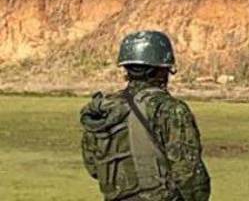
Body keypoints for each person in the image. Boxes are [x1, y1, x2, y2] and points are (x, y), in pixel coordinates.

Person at [80, 31, 211, 201]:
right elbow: (188, 173)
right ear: (163, 69)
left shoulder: (105, 109)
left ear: (126, 67)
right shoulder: (171, 110)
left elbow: (94, 167)